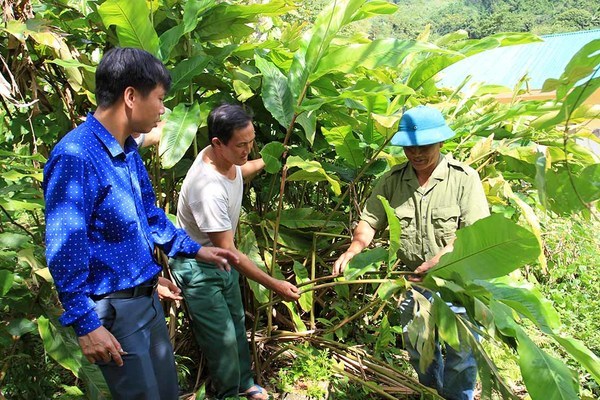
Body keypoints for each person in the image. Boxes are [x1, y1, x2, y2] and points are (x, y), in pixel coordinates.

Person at [43, 47, 239, 400]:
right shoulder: (76, 156)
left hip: (145, 302)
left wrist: (197, 251)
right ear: (131, 96)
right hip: (113, 314)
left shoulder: (127, 150)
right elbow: (64, 249)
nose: (163, 110)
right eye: (160, 99)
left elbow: (149, 218)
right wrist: (87, 326)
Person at [332, 105, 489, 400]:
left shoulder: (464, 178)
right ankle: (430, 393)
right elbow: (369, 220)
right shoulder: (393, 179)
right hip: (412, 283)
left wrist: (441, 259)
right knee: (420, 352)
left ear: (441, 142)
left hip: (458, 282)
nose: (416, 154)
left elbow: (474, 234)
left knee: (460, 354)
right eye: (409, 148)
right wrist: (354, 249)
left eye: (424, 147)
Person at [170, 103, 300, 400]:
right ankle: (226, 393)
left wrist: (270, 158)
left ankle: (243, 382)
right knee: (221, 338)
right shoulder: (207, 188)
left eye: (251, 141)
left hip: (222, 260)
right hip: (198, 266)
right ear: (218, 143)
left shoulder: (225, 160)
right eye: (242, 144)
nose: (248, 149)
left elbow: (243, 169)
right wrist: (274, 284)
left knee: (237, 323)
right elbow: (228, 251)